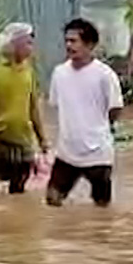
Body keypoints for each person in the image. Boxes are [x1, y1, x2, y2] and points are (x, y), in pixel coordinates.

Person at [46, 19, 125, 207]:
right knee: (52, 200)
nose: (68, 45)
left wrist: (101, 130)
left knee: (101, 207)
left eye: (74, 41)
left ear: (90, 44)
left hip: (98, 153)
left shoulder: (105, 75)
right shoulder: (59, 73)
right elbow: (56, 105)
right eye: (66, 41)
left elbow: (115, 108)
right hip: (67, 152)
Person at [0, 23, 48, 195]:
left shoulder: (29, 71)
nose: (31, 48)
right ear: (14, 44)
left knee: (18, 192)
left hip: (23, 142)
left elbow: (34, 108)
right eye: (28, 43)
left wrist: (43, 140)